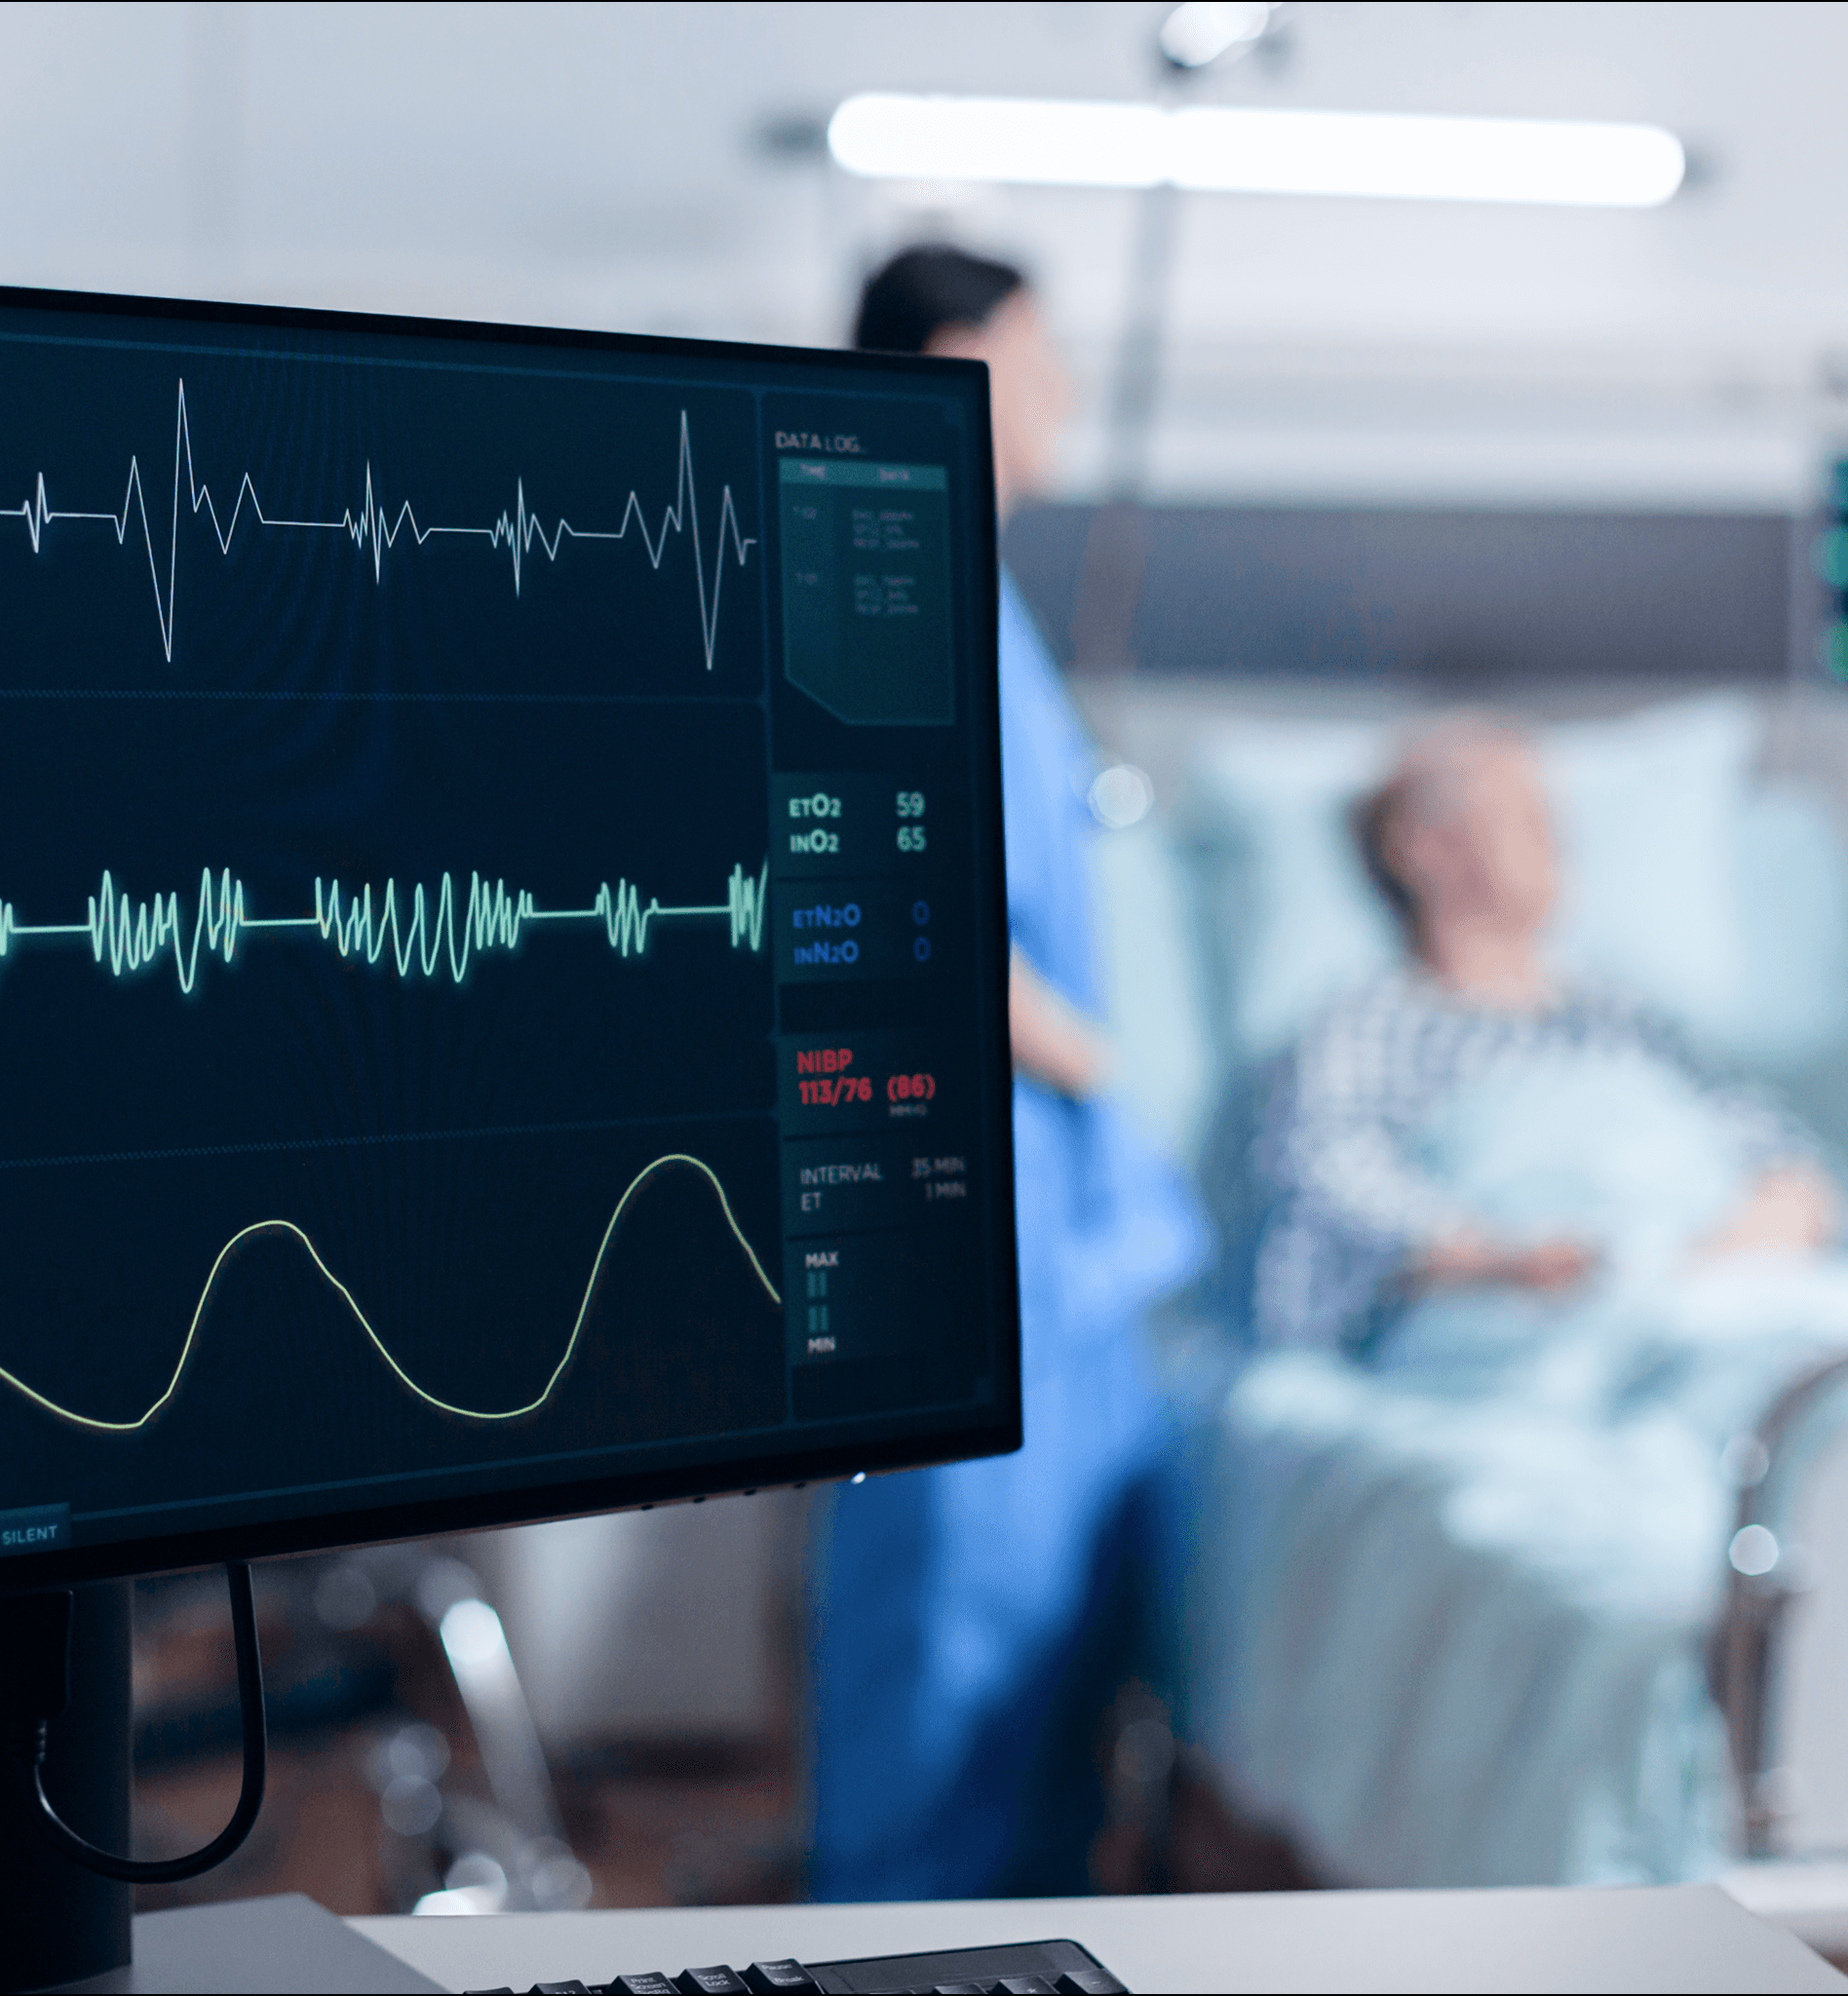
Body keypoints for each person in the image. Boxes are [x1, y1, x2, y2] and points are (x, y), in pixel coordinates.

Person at [808, 246, 1208, 1900]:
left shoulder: (983, 603)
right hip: (968, 1195)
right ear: (959, 361)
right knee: (951, 1642)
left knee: (1052, 1659)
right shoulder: (872, 573)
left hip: (1065, 1221)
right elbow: (877, 886)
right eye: (1042, 362)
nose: (1063, 401)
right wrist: (1092, 1050)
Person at [1254, 718, 1841, 1354]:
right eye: (1523, 812)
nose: (1556, 836)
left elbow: (1782, 1164)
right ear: (1422, 847)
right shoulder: (1364, 1028)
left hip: (1707, 1293)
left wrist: (1746, 1237)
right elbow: (1333, 1187)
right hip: (1515, 1317)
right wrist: (1498, 1260)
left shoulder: (1627, 1021)